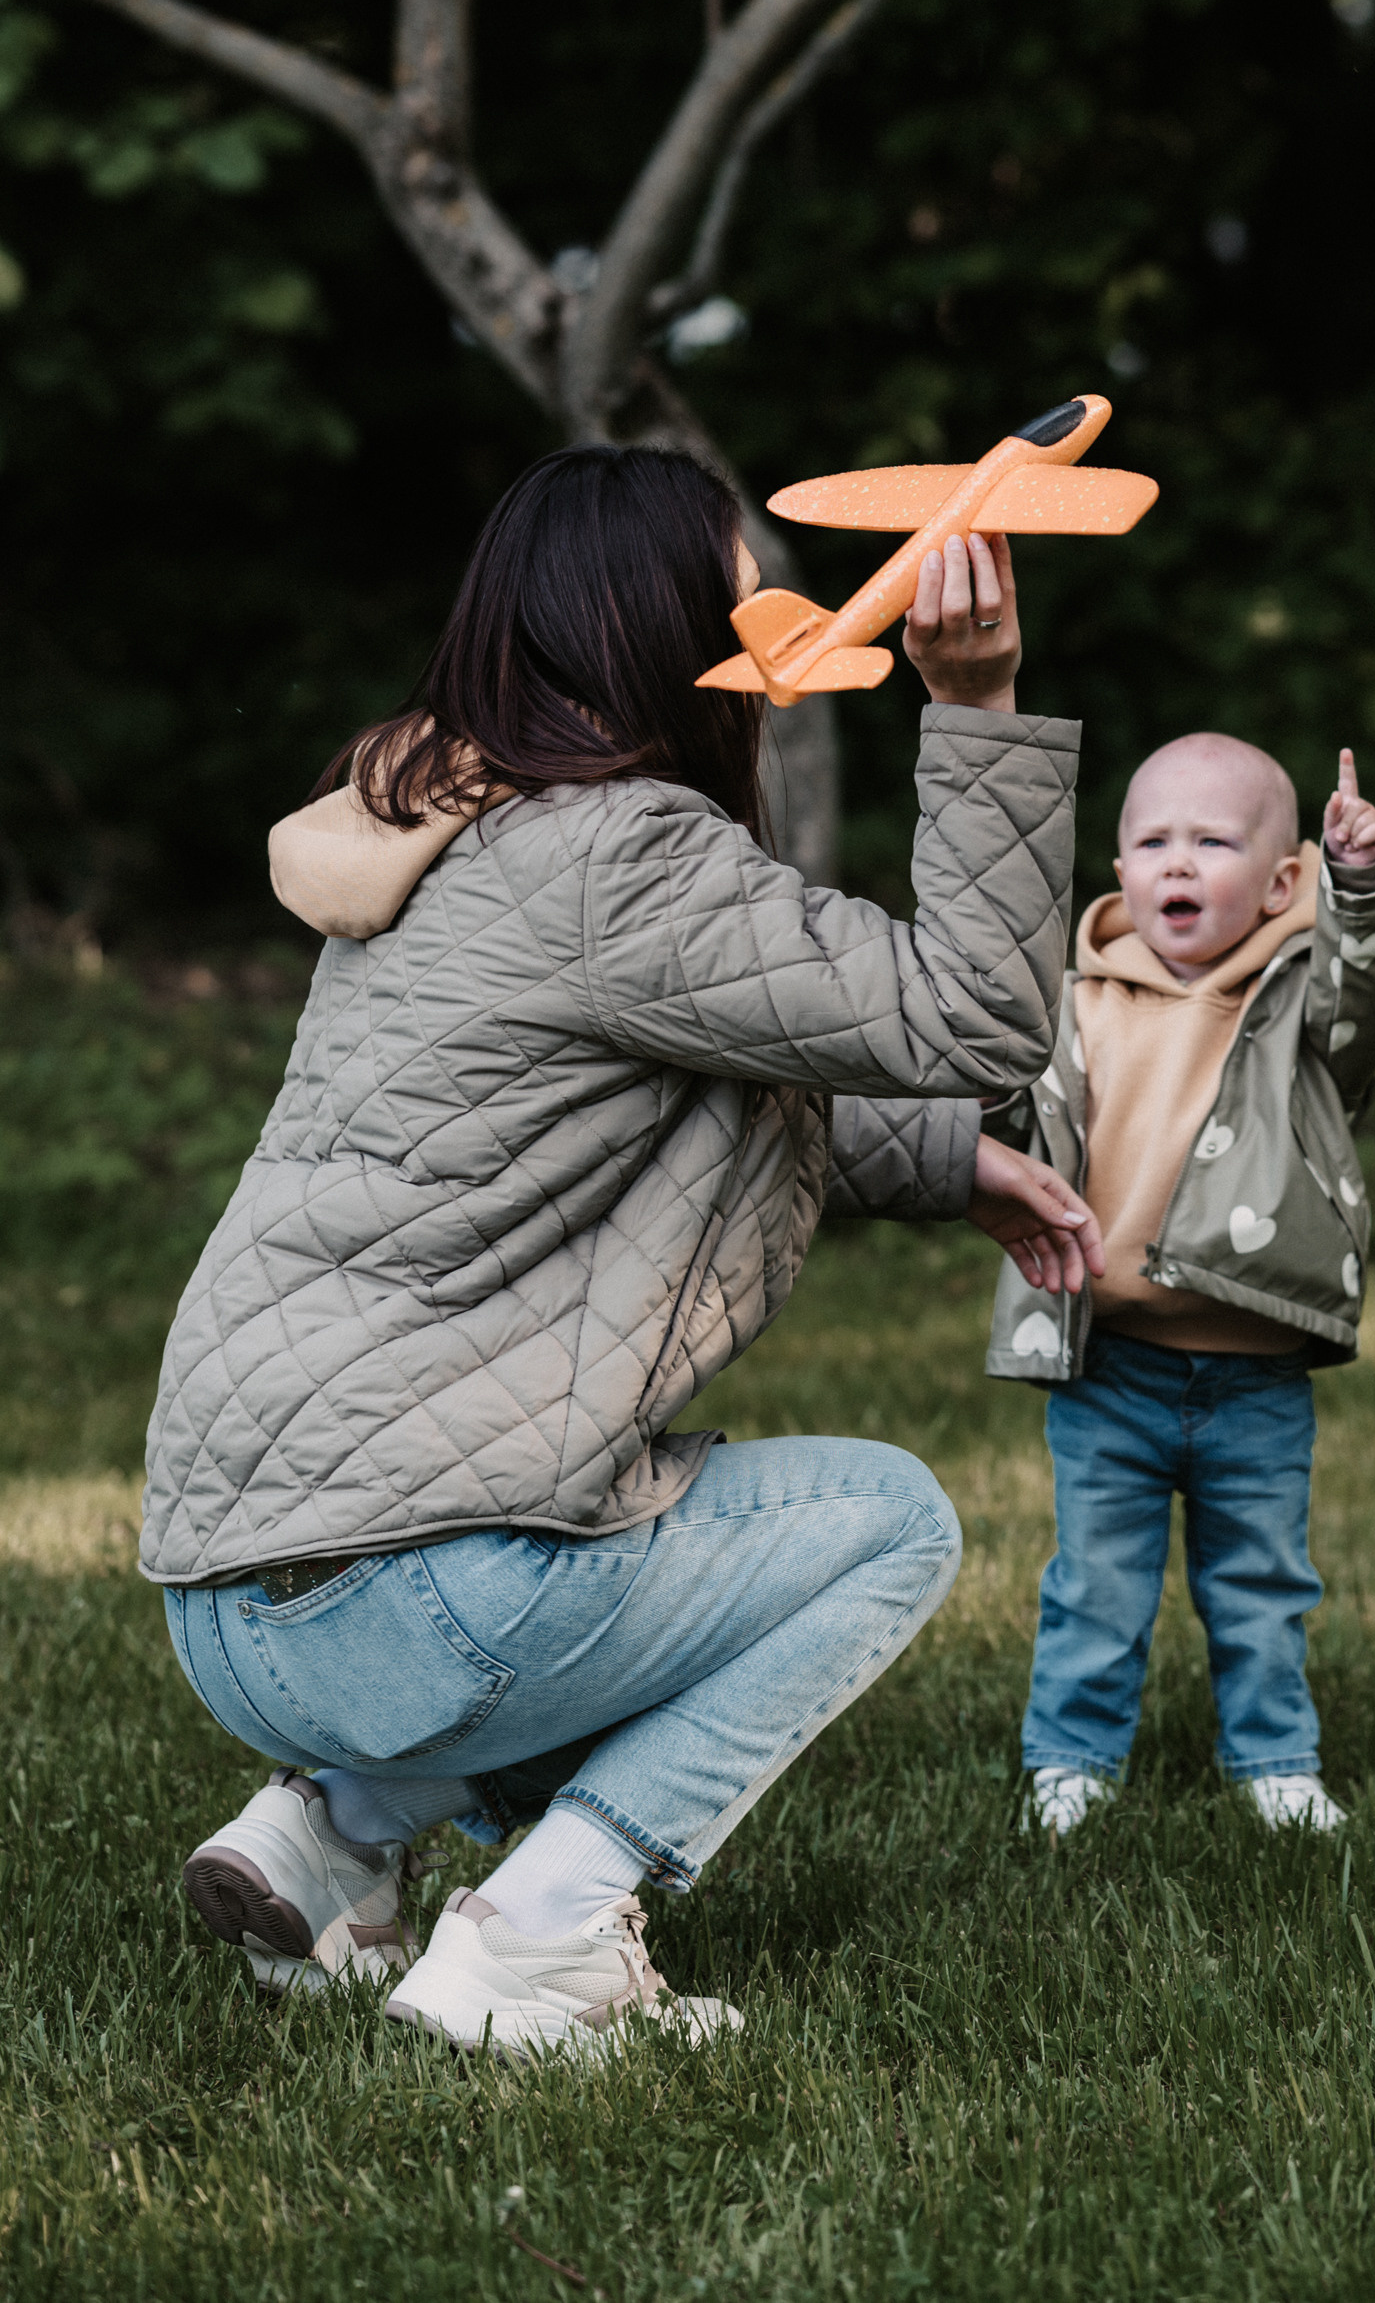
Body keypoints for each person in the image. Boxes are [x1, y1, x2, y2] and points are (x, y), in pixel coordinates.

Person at [145, 443, 1102, 2056]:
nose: (775, 622)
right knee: (886, 1524)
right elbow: (977, 1015)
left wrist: (943, 1162)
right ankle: (543, 1932)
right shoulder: (626, 857)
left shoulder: (450, 836)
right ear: (657, 627)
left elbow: (628, 1102)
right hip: (410, 1599)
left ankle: (334, 1832)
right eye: (745, 593)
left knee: (617, 1546)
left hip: (236, 1604)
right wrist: (978, 703)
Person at [979, 729, 1375, 1837]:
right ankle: (1071, 1762)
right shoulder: (1073, 999)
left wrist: (1363, 883)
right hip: (1109, 1361)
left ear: (1281, 882)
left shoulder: (1301, 1000)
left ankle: (1275, 1759)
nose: (1177, 862)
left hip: (1254, 1367)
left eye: (1213, 842)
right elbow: (1001, 1110)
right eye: (1153, 842)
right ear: (1118, 868)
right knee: (1096, 1579)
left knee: (1262, 1580)